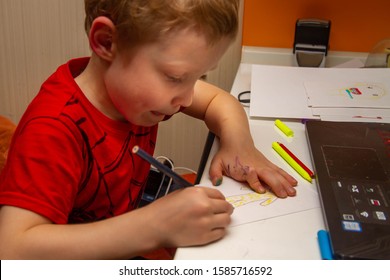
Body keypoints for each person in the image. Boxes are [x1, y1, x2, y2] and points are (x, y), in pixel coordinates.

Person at [0, 0, 297, 259]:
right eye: (175, 77)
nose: (188, 98)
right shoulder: (53, 129)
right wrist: (154, 226)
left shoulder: (133, 94)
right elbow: (12, 251)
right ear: (106, 42)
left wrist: (239, 146)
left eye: (198, 77)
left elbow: (220, 101)